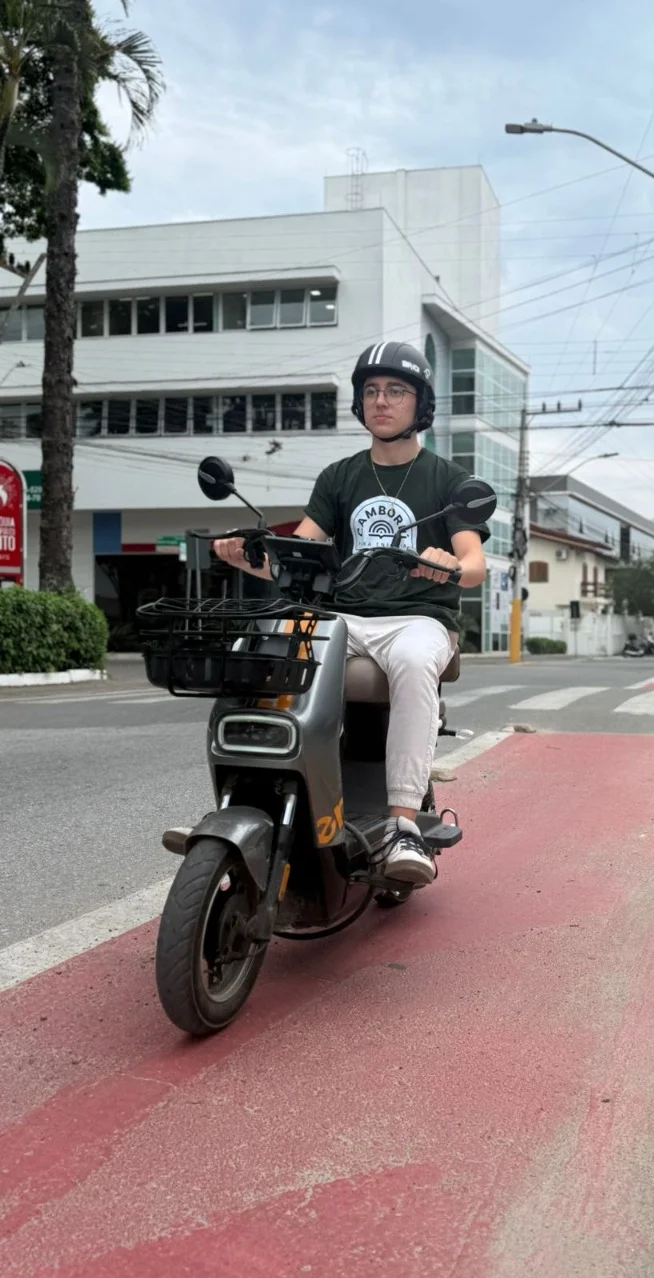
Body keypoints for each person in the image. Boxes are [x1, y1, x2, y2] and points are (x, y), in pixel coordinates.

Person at [213, 341, 489, 888]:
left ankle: (403, 823)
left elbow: (475, 564)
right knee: (263, 646)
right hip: (345, 618)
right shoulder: (339, 477)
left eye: (395, 391)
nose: (381, 401)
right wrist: (250, 557)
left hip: (418, 618)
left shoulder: (447, 479)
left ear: (420, 404)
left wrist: (449, 564)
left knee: (412, 659)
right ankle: (253, 802)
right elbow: (303, 559)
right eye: (371, 392)